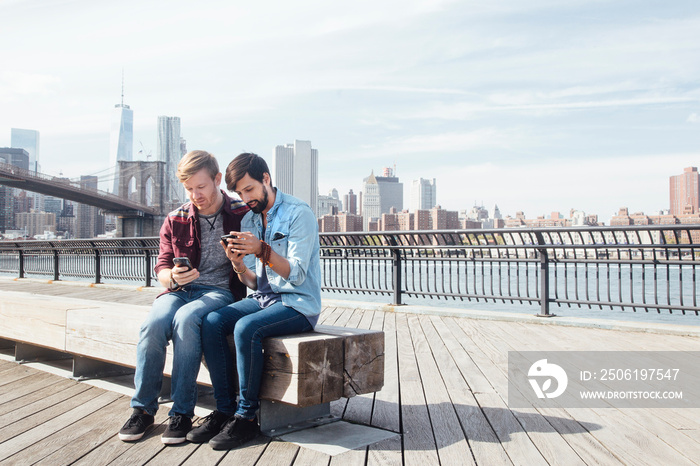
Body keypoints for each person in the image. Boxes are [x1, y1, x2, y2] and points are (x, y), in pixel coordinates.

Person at [186, 152, 321, 450]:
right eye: (239, 192)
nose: (245, 197)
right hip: (263, 299)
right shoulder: (249, 218)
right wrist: (237, 265)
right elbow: (254, 282)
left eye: (249, 189)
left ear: (266, 179)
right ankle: (224, 410)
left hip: (298, 305)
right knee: (211, 321)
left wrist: (262, 249)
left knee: (246, 329)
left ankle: (246, 418)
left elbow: (296, 275)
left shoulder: (299, 213)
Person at [118, 150, 249, 445]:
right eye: (189, 188)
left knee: (186, 319)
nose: (195, 194)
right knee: (153, 324)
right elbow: (161, 267)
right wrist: (173, 278)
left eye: (200, 186)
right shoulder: (175, 218)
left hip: (220, 292)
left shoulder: (242, 214)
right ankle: (143, 409)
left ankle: (181, 413)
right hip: (179, 290)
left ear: (217, 180)